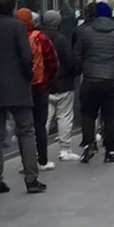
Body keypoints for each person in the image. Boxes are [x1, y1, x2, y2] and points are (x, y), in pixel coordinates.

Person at [0, 0, 46, 194]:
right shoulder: (18, 27)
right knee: (26, 131)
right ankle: (31, 178)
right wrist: (27, 75)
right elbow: (25, 55)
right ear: (13, 7)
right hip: (18, 88)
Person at [73, 1, 114, 163]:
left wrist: (84, 67)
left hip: (90, 79)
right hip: (112, 80)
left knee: (87, 114)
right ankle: (110, 151)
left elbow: (77, 54)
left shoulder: (85, 33)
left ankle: (89, 145)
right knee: (110, 117)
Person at [15, 8, 60, 170]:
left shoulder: (13, 39)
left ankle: (26, 162)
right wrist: (48, 82)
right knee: (40, 126)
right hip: (40, 88)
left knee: (22, 127)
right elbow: (53, 63)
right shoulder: (41, 38)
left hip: (19, 90)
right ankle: (42, 160)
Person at [39, 10, 80, 161]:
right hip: (63, 83)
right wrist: (74, 73)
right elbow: (69, 60)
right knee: (65, 117)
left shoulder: (38, 37)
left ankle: (39, 150)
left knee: (44, 119)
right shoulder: (61, 39)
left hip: (43, 84)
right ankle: (65, 149)